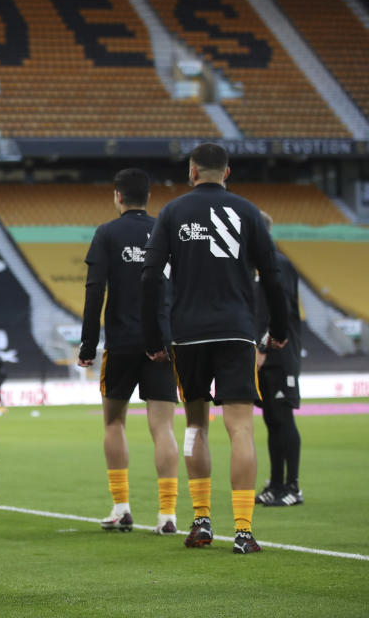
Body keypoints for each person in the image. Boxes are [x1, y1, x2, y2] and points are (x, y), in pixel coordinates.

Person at [142, 143, 287, 555]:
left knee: (195, 427)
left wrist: (154, 338)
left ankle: (202, 519)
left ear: (192, 172)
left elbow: (151, 277)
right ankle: (243, 530)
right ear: (228, 172)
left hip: (187, 334)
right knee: (240, 427)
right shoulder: (248, 212)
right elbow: (273, 277)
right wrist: (278, 330)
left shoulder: (171, 212)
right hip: (237, 331)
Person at [77, 168, 179, 535]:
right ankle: (167, 514)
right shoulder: (164, 230)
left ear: (117, 196)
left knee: (114, 421)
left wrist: (88, 344)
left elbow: (94, 290)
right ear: (149, 197)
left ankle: (121, 507)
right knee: (163, 426)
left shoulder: (107, 233)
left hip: (121, 342)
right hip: (163, 344)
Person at [254, 211, 304, 507]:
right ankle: (275, 483)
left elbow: (280, 311)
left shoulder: (278, 265)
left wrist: (262, 347)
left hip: (281, 354)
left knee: (283, 417)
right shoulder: (258, 267)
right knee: (272, 418)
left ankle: (293, 486)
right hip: (266, 356)